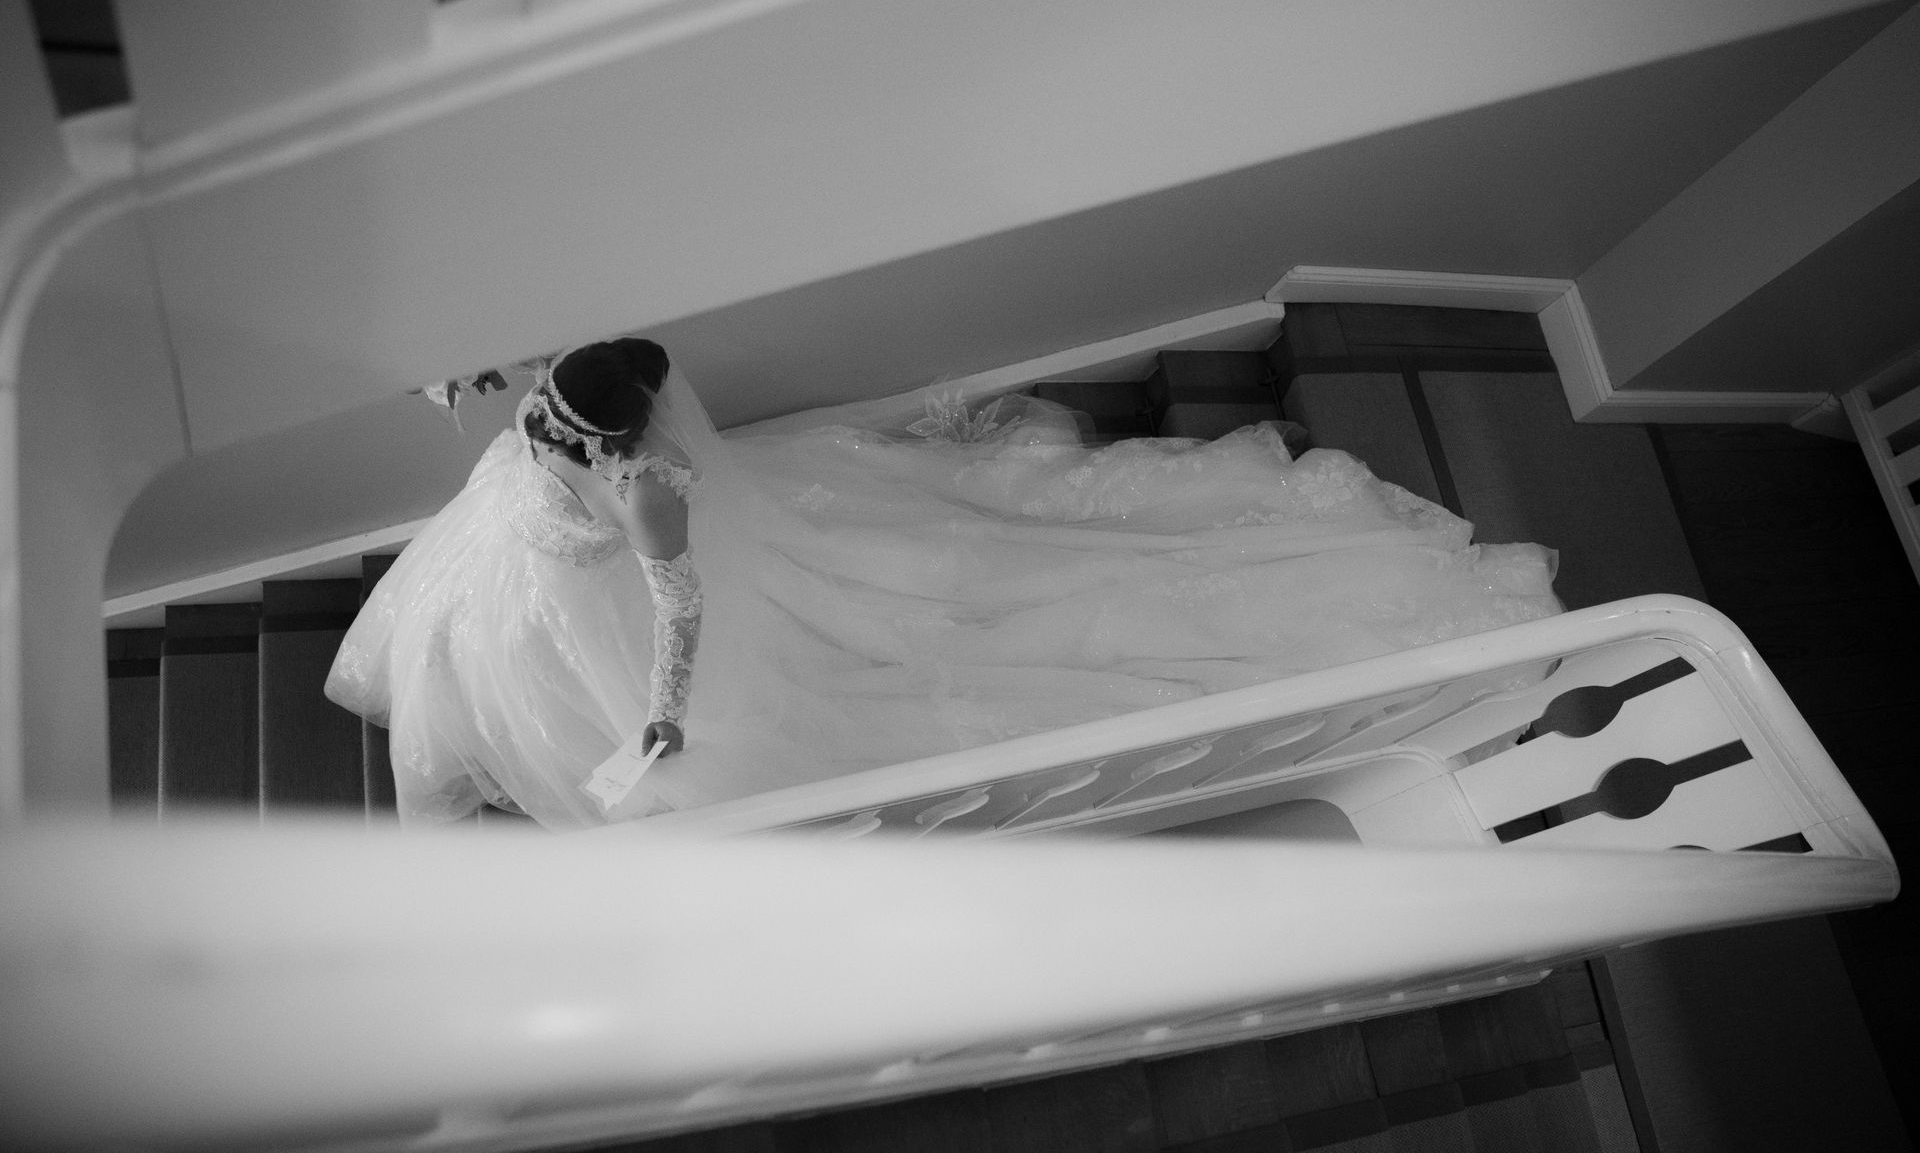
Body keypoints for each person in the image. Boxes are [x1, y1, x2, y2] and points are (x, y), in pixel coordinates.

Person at [327, 337, 1562, 830]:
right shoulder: (555, 399)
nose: (542, 423)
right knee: (469, 668)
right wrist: (456, 376)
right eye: (540, 409)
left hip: (598, 610)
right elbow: (507, 375)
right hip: (504, 567)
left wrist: (662, 712)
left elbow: (680, 605)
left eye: (556, 420)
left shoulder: (645, 489)